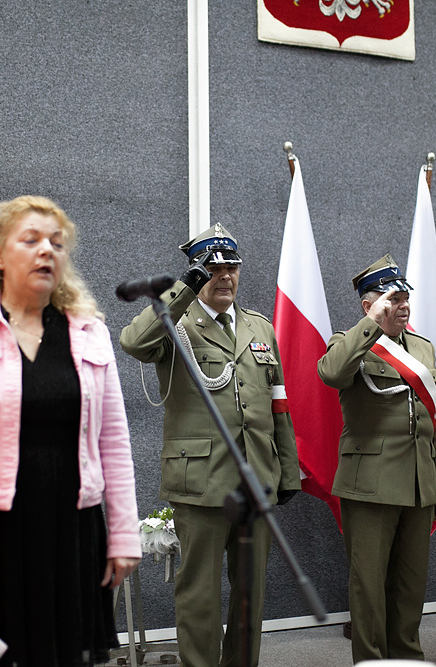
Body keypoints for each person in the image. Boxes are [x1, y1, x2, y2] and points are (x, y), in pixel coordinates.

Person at [0, 195, 141, 667]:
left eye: (57, 243)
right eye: (30, 240)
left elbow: (114, 441)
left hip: (71, 530)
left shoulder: (90, 334)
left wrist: (124, 535)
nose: (46, 250)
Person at [120, 223, 300, 667]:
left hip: (256, 479)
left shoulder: (259, 327)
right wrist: (184, 288)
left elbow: (278, 405)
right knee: (199, 593)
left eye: (231, 267)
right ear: (197, 274)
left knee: (249, 596)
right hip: (201, 482)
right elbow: (133, 342)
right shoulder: (176, 321)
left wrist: (287, 473)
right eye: (213, 268)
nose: (225, 276)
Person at [317, 254, 436, 664]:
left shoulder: (423, 348)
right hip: (371, 482)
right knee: (369, 584)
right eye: (392, 298)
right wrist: (371, 324)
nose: (403, 305)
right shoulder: (350, 342)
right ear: (369, 305)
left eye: (405, 297)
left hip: (418, 482)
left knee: (410, 584)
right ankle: (373, 660)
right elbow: (332, 373)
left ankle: (407, 656)